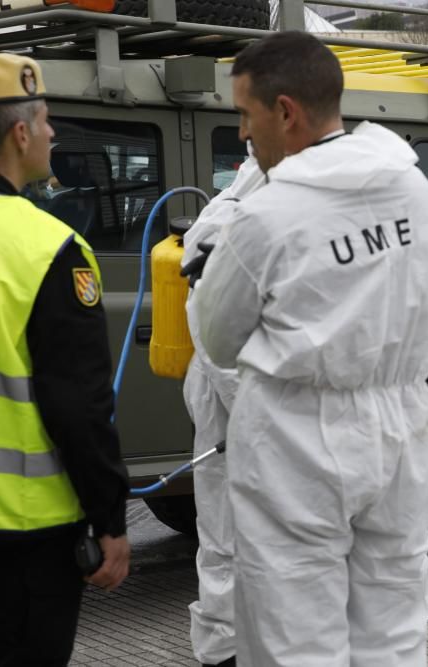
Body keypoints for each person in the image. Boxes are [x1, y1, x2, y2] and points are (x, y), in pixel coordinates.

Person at [193, 32, 428, 666]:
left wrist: (209, 276)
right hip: (402, 429)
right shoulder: (413, 190)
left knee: (295, 635)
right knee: (393, 625)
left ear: (285, 112)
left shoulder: (265, 217)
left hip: (298, 440)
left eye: (246, 117)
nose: (245, 137)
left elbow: (219, 339)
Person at [0, 53, 129, 665]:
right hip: (28, 519)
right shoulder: (49, 249)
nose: (51, 134)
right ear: (20, 134)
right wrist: (112, 521)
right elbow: (79, 405)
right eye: (45, 121)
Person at [180, 150, 266, 667]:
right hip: (234, 407)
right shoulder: (243, 214)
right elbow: (214, 323)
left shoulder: (232, 204)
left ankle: (226, 648)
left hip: (225, 399)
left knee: (223, 537)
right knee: (232, 538)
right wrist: (260, 416)